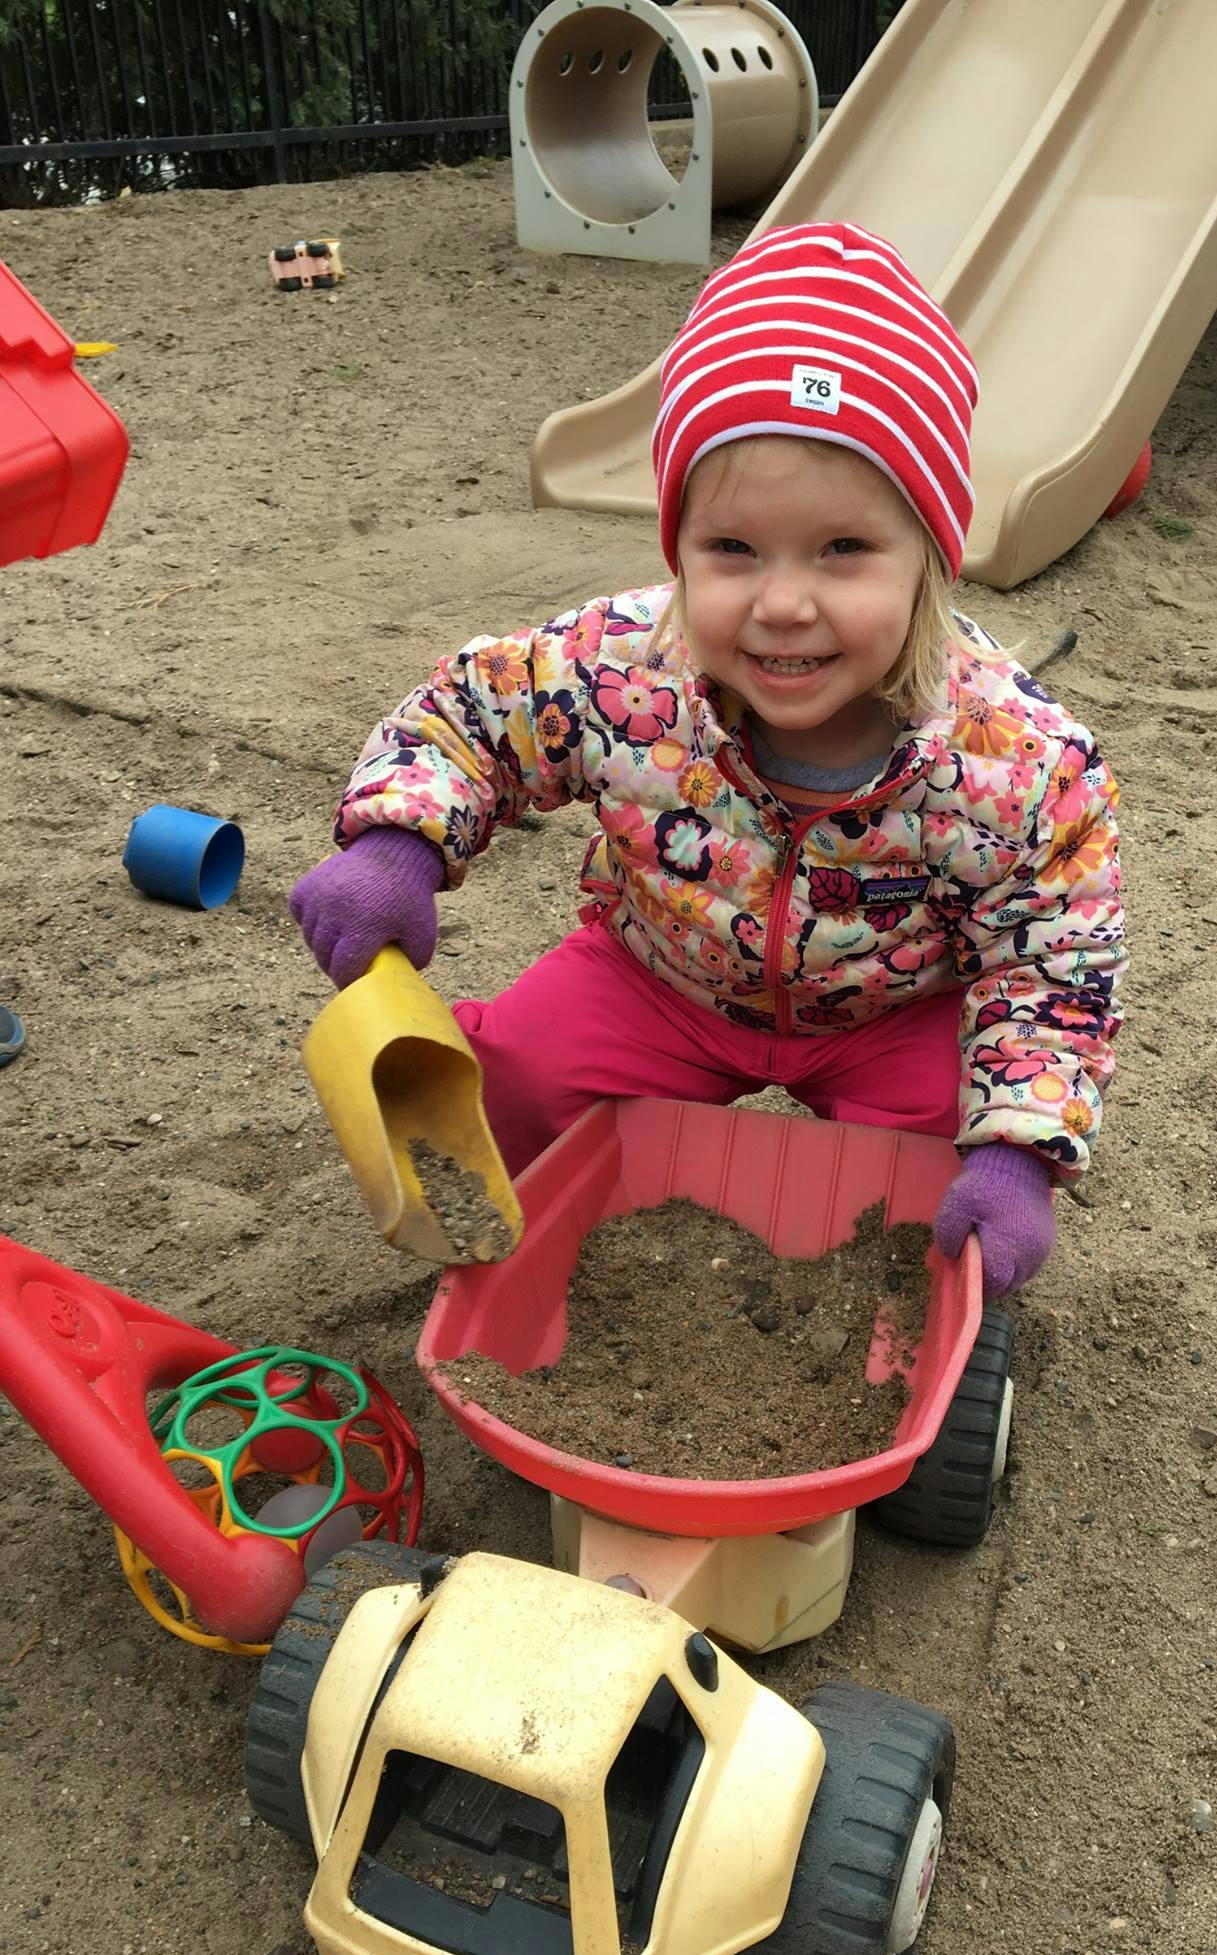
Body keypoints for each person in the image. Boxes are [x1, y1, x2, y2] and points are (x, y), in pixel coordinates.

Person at [290, 222, 1125, 1298]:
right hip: (661, 978)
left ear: (930, 554)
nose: (782, 601)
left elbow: (1055, 963)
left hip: (889, 1016)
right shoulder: (625, 666)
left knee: (942, 1180)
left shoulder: (1016, 758)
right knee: (513, 1086)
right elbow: (471, 716)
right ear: (677, 546)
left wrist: (1016, 1151)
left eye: (844, 548)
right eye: (732, 548)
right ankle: (535, 1256)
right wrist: (398, 840)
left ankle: (950, 1241)